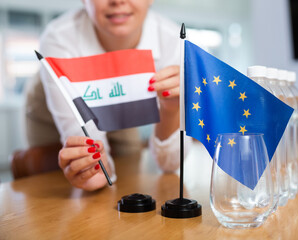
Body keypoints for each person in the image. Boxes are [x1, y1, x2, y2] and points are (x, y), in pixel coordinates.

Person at [28, 0, 187, 191]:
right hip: (48, 110)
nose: (118, 1)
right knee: (51, 173)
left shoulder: (172, 40)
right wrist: (95, 170)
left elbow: (170, 164)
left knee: (129, 159)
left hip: (120, 96)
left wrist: (171, 110)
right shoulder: (59, 37)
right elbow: (86, 145)